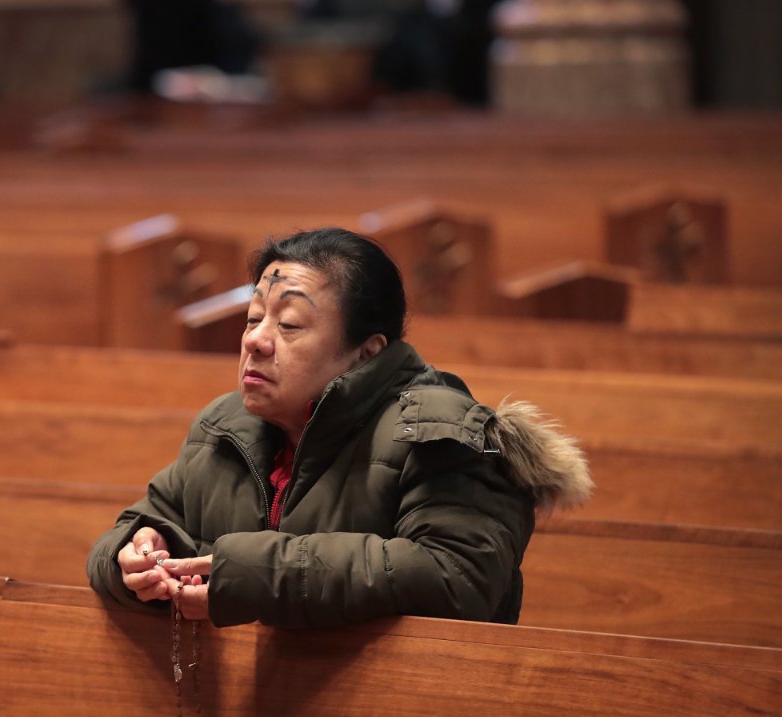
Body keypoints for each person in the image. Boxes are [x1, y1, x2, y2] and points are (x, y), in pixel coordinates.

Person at [87, 227, 591, 628]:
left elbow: (458, 579)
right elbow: (125, 534)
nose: (257, 341)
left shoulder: (442, 432)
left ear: (366, 351)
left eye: (288, 325)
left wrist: (255, 574)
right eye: (253, 318)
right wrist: (135, 559)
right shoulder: (226, 426)